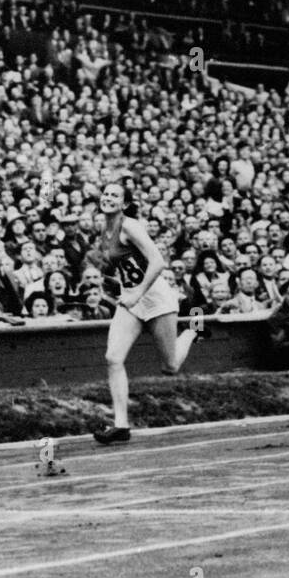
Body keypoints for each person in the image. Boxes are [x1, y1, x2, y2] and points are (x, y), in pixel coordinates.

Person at [89, 182, 197, 446]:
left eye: (115, 195)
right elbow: (125, 265)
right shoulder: (104, 228)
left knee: (170, 367)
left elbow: (158, 262)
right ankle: (121, 425)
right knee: (113, 357)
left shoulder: (130, 226)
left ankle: (194, 329)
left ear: (125, 204)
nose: (108, 198)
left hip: (156, 297)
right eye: (106, 194)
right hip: (130, 298)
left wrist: (137, 293)